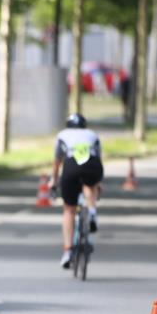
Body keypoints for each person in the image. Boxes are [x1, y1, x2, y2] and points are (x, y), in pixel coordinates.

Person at [49, 113, 104, 269]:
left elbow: (56, 163)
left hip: (71, 166)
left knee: (69, 210)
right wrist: (98, 183)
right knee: (90, 185)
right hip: (92, 165)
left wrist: (54, 182)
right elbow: (98, 157)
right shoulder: (92, 135)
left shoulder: (62, 135)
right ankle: (92, 212)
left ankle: (67, 252)